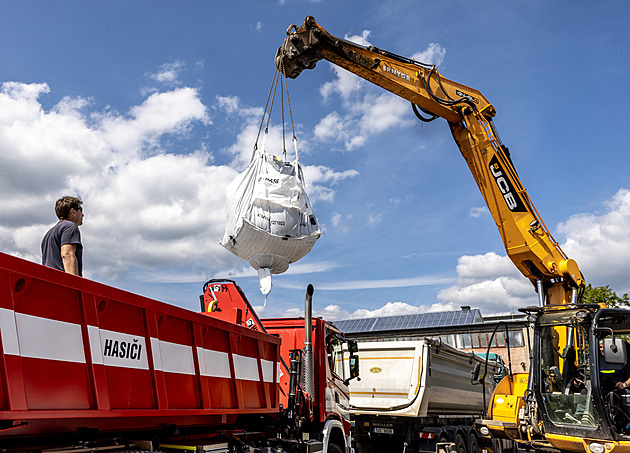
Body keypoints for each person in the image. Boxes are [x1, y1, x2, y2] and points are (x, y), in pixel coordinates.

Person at [41, 196, 84, 276]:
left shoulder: (48, 234)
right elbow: (67, 255)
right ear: (73, 211)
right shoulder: (70, 226)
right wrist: (73, 285)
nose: (83, 215)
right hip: (61, 283)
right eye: (81, 210)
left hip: (48, 281)